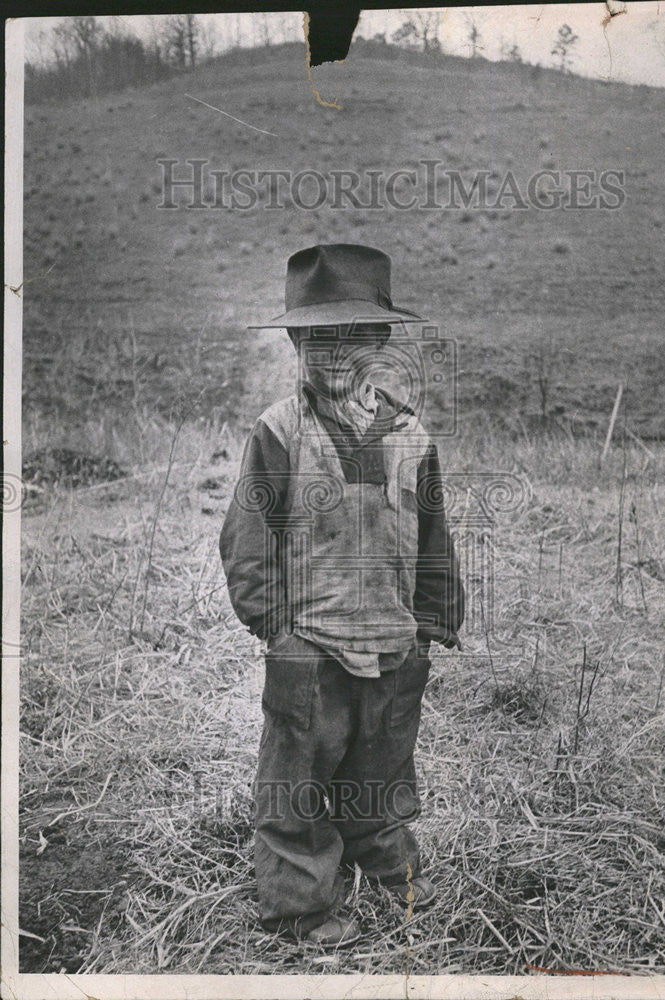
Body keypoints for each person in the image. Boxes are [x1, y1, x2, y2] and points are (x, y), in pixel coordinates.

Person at [220, 244, 464, 947]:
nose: (335, 355)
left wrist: (431, 622)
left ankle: (384, 866)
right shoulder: (279, 433)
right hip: (312, 649)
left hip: (393, 642)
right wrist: (278, 628)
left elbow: (433, 535)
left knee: (381, 769)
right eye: (317, 339)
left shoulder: (411, 434)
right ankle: (301, 905)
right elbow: (246, 538)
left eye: (352, 337)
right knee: (296, 782)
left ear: (380, 343)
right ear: (297, 344)